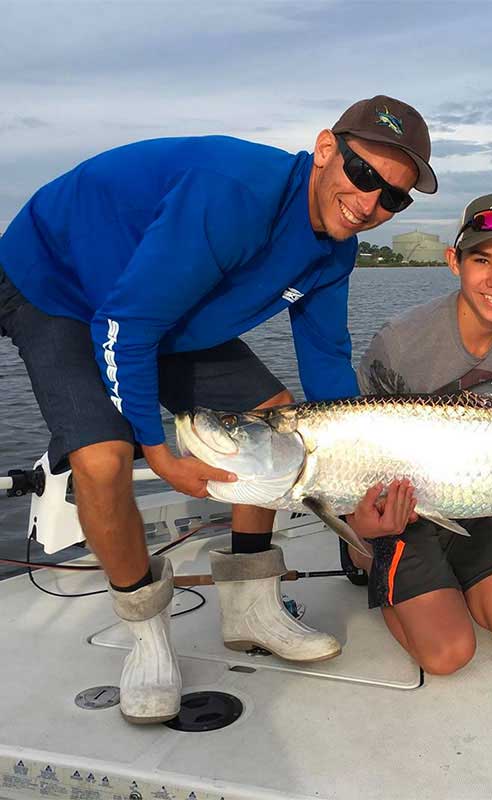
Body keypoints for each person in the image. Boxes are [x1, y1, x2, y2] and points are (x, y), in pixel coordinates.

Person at [0, 95, 437, 722]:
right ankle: (147, 637)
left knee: (276, 423)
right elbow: (127, 321)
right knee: (103, 459)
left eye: (392, 198)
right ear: (323, 149)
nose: (369, 204)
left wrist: (360, 472)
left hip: (157, 302)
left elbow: (326, 361)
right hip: (53, 282)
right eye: (363, 174)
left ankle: (252, 606)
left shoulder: (336, 248)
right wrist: (161, 450)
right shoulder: (234, 194)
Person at [345, 192, 492, 675]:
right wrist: (364, 529)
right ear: (453, 262)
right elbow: (353, 452)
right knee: (448, 656)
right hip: (397, 516)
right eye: (481, 260)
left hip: (473, 500)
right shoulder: (399, 341)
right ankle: (367, 563)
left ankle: (446, 574)